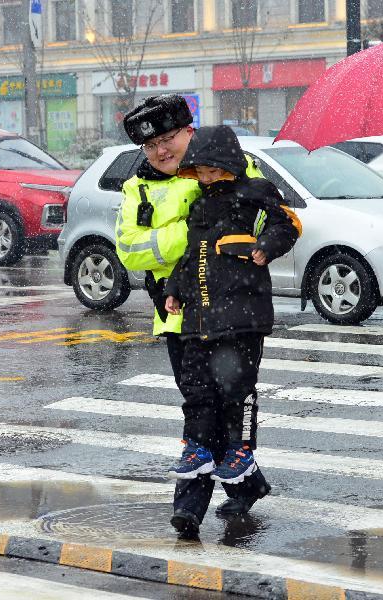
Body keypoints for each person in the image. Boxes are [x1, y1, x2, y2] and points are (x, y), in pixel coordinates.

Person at [115, 96, 271, 538]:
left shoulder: (227, 165)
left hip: (234, 310)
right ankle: (249, 483)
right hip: (177, 311)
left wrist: (213, 238)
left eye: (168, 139)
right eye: (151, 147)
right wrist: (196, 231)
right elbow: (129, 247)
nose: (162, 152)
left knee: (228, 400)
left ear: (189, 132)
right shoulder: (137, 188)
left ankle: (190, 503)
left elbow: (261, 220)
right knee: (200, 402)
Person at [163, 125, 300, 536]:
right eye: (199, 174)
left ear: (228, 166)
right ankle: (198, 473)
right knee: (198, 394)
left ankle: (240, 454)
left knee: (235, 395)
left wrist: (267, 245)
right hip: (198, 321)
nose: (205, 181)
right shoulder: (199, 206)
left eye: (211, 173)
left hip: (241, 319)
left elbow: (288, 223)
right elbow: (191, 256)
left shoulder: (255, 190)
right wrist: (173, 289)